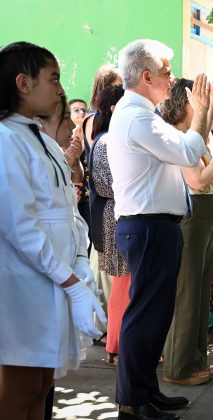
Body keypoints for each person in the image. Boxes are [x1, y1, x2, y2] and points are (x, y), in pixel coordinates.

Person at [0, 41, 105, 420]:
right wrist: (71, 282)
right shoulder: (6, 139)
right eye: (53, 79)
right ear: (23, 83)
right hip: (24, 283)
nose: (60, 89)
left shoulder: (40, 139)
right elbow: (19, 226)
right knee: (21, 386)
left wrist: (79, 261)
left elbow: (67, 207)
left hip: (53, 279)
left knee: (43, 385)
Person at [108, 39, 210, 419]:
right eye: (167, 72)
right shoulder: (138, 117)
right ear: (147, 76)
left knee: (155, 315)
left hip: (155, 225)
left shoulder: (142, 114)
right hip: (148, 226)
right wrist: (201, 112)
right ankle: (133, 401)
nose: (172, 79)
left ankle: (146, 392)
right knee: (145, 317)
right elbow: (187, 152)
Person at [159, 76, 213, 385]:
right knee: (187, 292)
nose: (209, 106)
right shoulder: (177, 134)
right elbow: (198, 180)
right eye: (200, 99)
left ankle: (195, 358)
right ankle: (178, 366)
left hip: (206, 213)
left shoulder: (197, 135)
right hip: (191, 215)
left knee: (200, 291)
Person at [88, 84, 128, 366]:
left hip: (117, 216)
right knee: (122, 284)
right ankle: (116, 346)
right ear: (115, 108)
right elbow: (107, 185)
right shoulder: (106, 142)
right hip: (114, 218)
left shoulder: (113, 139)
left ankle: (117, 345)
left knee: (124, 284)